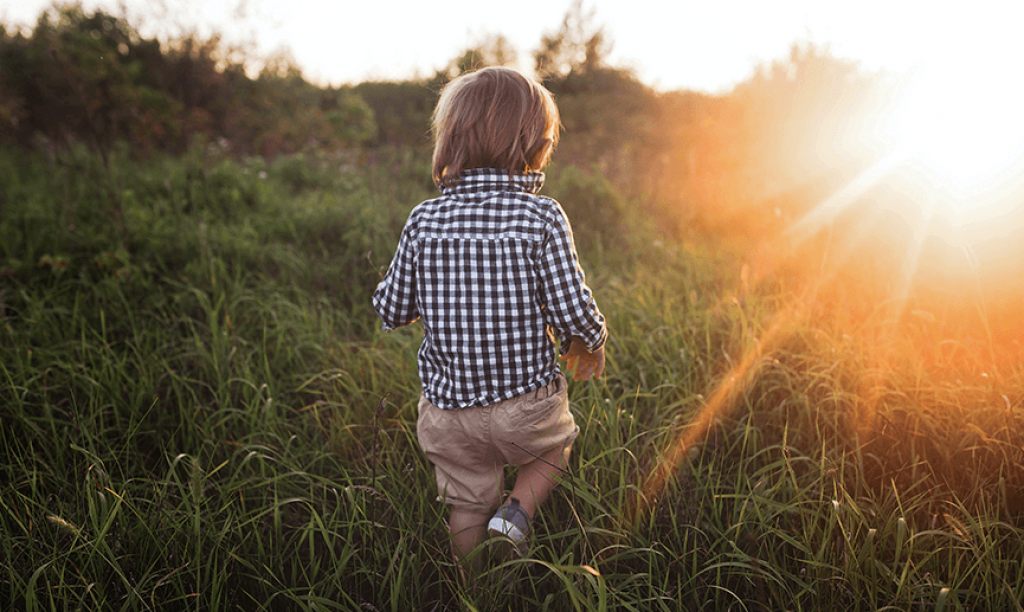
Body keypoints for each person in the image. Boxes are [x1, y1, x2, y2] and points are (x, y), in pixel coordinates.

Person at [372, 66, 607, 572]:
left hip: (448, 411)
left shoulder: (423, 219)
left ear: (451, 138)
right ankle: (517, 511)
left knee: (465, 502)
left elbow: (391, 309)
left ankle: (475, 592)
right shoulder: (541, 217)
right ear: (535, 143)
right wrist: (591, 341)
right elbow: (571, 307)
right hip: (525, 403)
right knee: (553, 450)